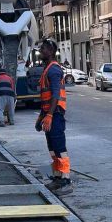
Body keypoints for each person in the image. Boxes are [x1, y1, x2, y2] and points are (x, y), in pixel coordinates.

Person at [35, 39, 72, 195]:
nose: (40, 52)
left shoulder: (54, 70)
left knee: (59, 148)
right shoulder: (47, 69)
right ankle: (57, 177)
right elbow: (47, 96)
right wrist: (41, 117)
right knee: (52, 149)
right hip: (50, 114)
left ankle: (65, 180)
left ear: (50, 51)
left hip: (56, 114)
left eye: (43, 49)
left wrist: (49, 115)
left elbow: (56, 95)